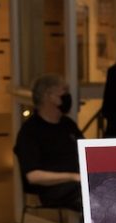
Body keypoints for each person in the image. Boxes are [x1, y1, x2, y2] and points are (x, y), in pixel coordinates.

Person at [13, 74, 83, 210]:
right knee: (93, 197)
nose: (68, 96)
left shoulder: (68, 125)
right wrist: (73, 177)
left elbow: (84, 153)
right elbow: (33, 176)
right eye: (64, 92)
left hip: (75, 184)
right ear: (49, 96)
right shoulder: (30, 131)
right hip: (52, 190)